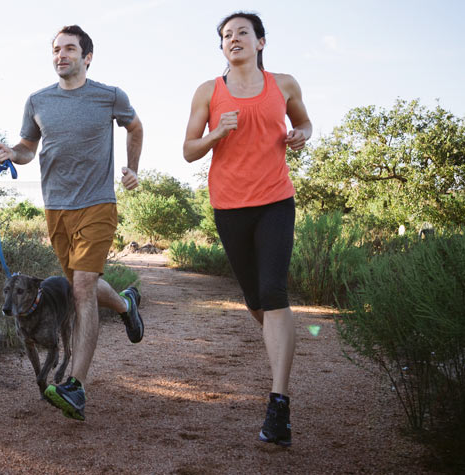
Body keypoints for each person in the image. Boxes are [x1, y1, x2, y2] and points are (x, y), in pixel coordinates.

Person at [0, 25, 144, 421]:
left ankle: (75, 385)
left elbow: (135, 126)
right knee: (80, 287)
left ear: (87, 56)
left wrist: (132, 168)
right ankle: (126, 304)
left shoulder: (109, 96)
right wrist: (11, 152)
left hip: (97, 204)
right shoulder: (37, 100)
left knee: (82, 287)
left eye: (69, 49)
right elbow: (27, 149)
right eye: (56, 49)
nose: (61, 55)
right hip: (55, 209)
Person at [182, 11, 312, 447]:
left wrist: (302, 134)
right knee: (256, 300)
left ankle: (279, 404)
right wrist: (216, 131)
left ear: (260, 42)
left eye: (242, 33)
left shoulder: (285, 84)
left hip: (276, 200)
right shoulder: (208, 91)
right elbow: (187, 151)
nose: (233, 39)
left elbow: (305, 122)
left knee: (274, 293)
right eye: (225, 35)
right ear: (222, 48)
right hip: (230, 206)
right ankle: (280, 344)